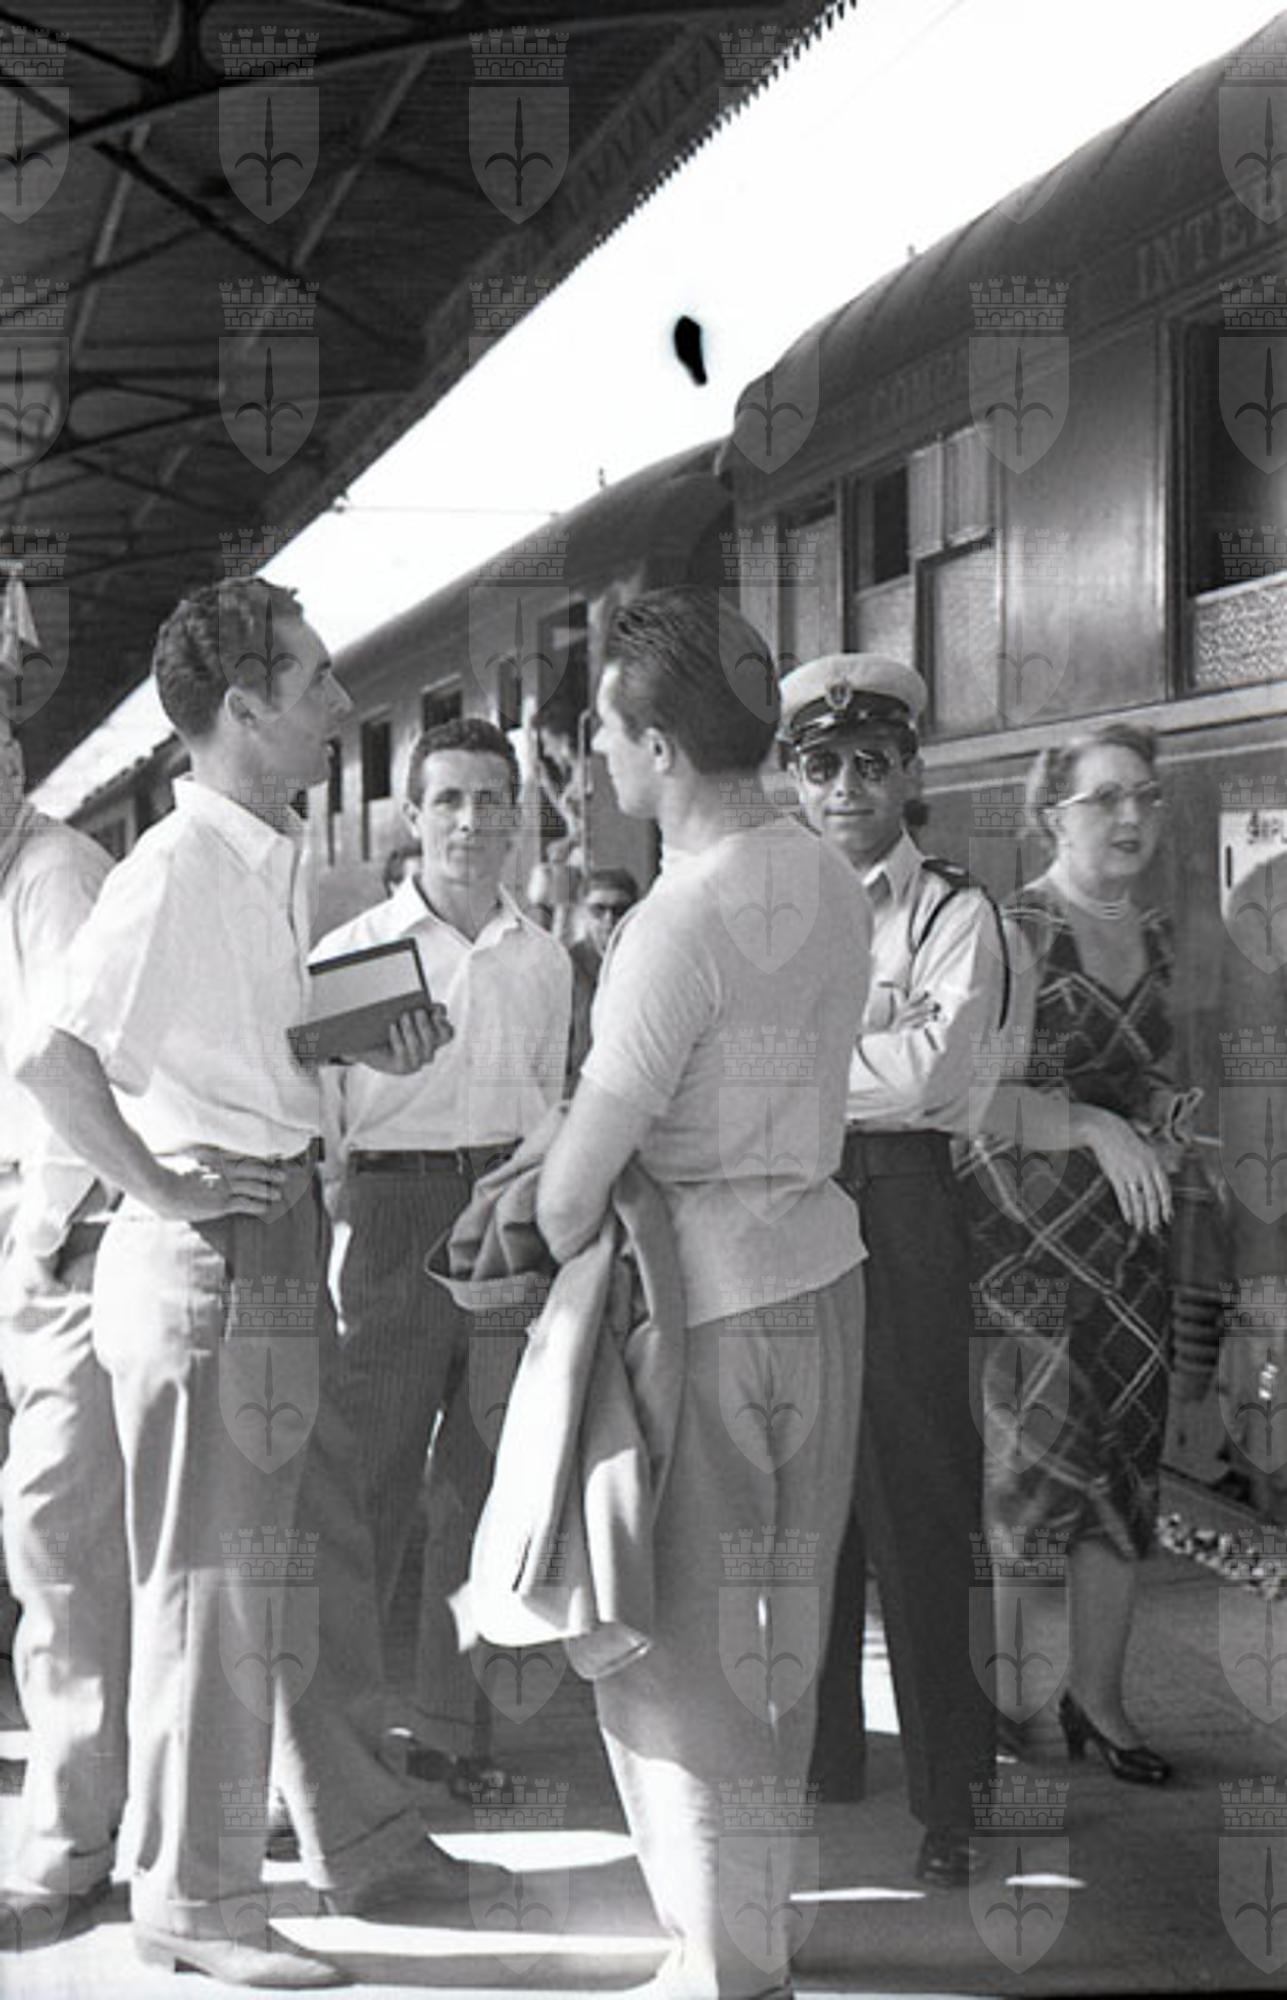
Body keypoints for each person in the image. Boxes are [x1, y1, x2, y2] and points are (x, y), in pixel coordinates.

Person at [17, 579, 500, 1989]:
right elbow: (54, 1058)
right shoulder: (171, 866)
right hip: (213, 1250)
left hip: (280, 1227)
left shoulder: (263, 854)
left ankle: (366, 1841)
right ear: (241, 709)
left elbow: (243, 1032)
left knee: (319, 1558)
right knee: (214, 1593)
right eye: (313, 680)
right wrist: (163, 1187)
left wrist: (350, 1035)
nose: (338, 704)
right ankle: (197, 1900)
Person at [537, 588, 872, 2000]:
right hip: (827, 1281)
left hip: (705, 1312)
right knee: (784, 1630)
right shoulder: (831, 881)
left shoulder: (672, 924)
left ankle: (724, 1963)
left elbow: (567, 1203)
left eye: (607, 736)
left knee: (678, 1646)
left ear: (662, 746)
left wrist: (569, 1170)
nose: (598, 761)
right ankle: (761, 1926)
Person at [781, 654, 1005, 1889]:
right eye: (821, 764)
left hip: (905, 1203)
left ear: (910, 769)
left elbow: (933, 1073)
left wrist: (797, 1071)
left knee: (919, 1490)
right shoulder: (770, 904)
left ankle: (953, 1792)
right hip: (791, 1196)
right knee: (800, 1483)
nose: (847, 787)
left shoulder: (952, 911)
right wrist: (851, 1057)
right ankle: (823, 1756)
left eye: (872, 761)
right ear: (792, 779)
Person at [315, 714, 570, 1782]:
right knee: (368, 1478)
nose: (470, 820)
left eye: (490, 799)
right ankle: (331, 1747)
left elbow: (552, 1102)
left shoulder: (542, 958)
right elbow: (321, 1120)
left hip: (507, 1212)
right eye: (449, 800)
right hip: (393, 1212)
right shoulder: (355, 955)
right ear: (413, 818)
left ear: (517, 818)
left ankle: (453, 1731)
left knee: (483, 1479)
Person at [958, 721, 1182, 1783]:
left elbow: (1146, 1074)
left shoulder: (1159, 936)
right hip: (1027, 1255)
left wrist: (1160, 1114)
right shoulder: (1013, 934)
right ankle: (1014, 1706)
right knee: (1033, 1483)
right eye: (1106, 798)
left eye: (1145, 795)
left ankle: (1101, 1703)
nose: (1131, 816)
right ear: (1054, 815)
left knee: (1124, 1477)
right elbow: (969, 1101)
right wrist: (1091, 1125)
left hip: (1134, 1252)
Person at [0, 704, 125, 1949]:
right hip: (34, 1231)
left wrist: (31, 1238)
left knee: (61, 1535)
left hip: (66, 1235)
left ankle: (70, 1841)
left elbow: (69, 1075)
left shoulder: (52, 876)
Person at [567, 866, 639, 1081]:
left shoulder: (647, 963)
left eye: (620, 910)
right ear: (582, 913)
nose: (609, 920)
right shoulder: (565, 966)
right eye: (598, 910)